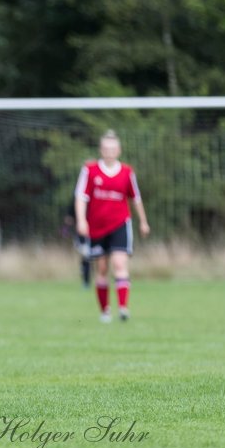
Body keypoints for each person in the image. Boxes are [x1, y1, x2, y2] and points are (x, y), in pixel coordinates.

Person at [74, 130, 150, 323]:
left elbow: (136, 198)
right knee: (101, 268)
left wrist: (143, 221)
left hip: (120, 224)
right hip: (97, 226)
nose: (109, 151)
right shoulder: (90, 170)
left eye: (113, 148)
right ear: (101, 150)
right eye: (106, 148)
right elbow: (81, 197)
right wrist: (81, 220)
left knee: (119, 264)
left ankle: (123, 308)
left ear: (119, 150)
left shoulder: (126, 172)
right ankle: (105, 311)